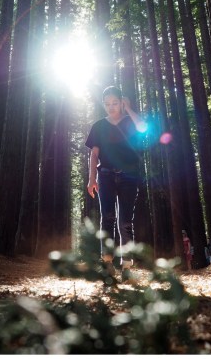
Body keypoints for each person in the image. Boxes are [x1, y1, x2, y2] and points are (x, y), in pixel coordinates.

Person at [85, 86, 147, 280]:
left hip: (129, 176)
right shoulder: (99, 126)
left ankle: (126, 265)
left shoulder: (130, 121)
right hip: (105, 176)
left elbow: (143, 128)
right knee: (108, 218)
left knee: (125, 221)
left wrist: (129, 109)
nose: (111, 107)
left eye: (115, 103)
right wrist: (91, 179)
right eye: (107, 104)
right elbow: (94, 154)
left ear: (121, 102)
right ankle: (107, 262)